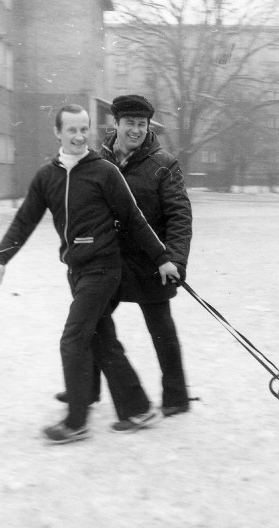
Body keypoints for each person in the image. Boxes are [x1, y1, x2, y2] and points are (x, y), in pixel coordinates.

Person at [0, 104, 180, 444]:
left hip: (103, 268)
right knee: (101, 339)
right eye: (72, 130)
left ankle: (76, 421)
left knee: (73, 339)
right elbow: (25, 219)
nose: (79, 136)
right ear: (58, 133)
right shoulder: (47, 176)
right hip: (75, 270)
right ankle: (137, 408)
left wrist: (163, 257)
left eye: (84, 129)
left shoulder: (104, 171)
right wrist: (2, 257)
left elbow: (135, 219)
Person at [54, 94, 194, 417]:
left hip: (150, 263)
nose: (135, 130)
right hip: (109, 262)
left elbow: (179, 217)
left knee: (162, 331)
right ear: (115, 124)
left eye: (141, 124)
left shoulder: (164, 165)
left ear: (148, 127)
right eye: (129, 123)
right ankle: (85, 389)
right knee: (92, 324)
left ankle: (176, 396)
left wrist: (175, 259)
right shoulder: (96, 161)